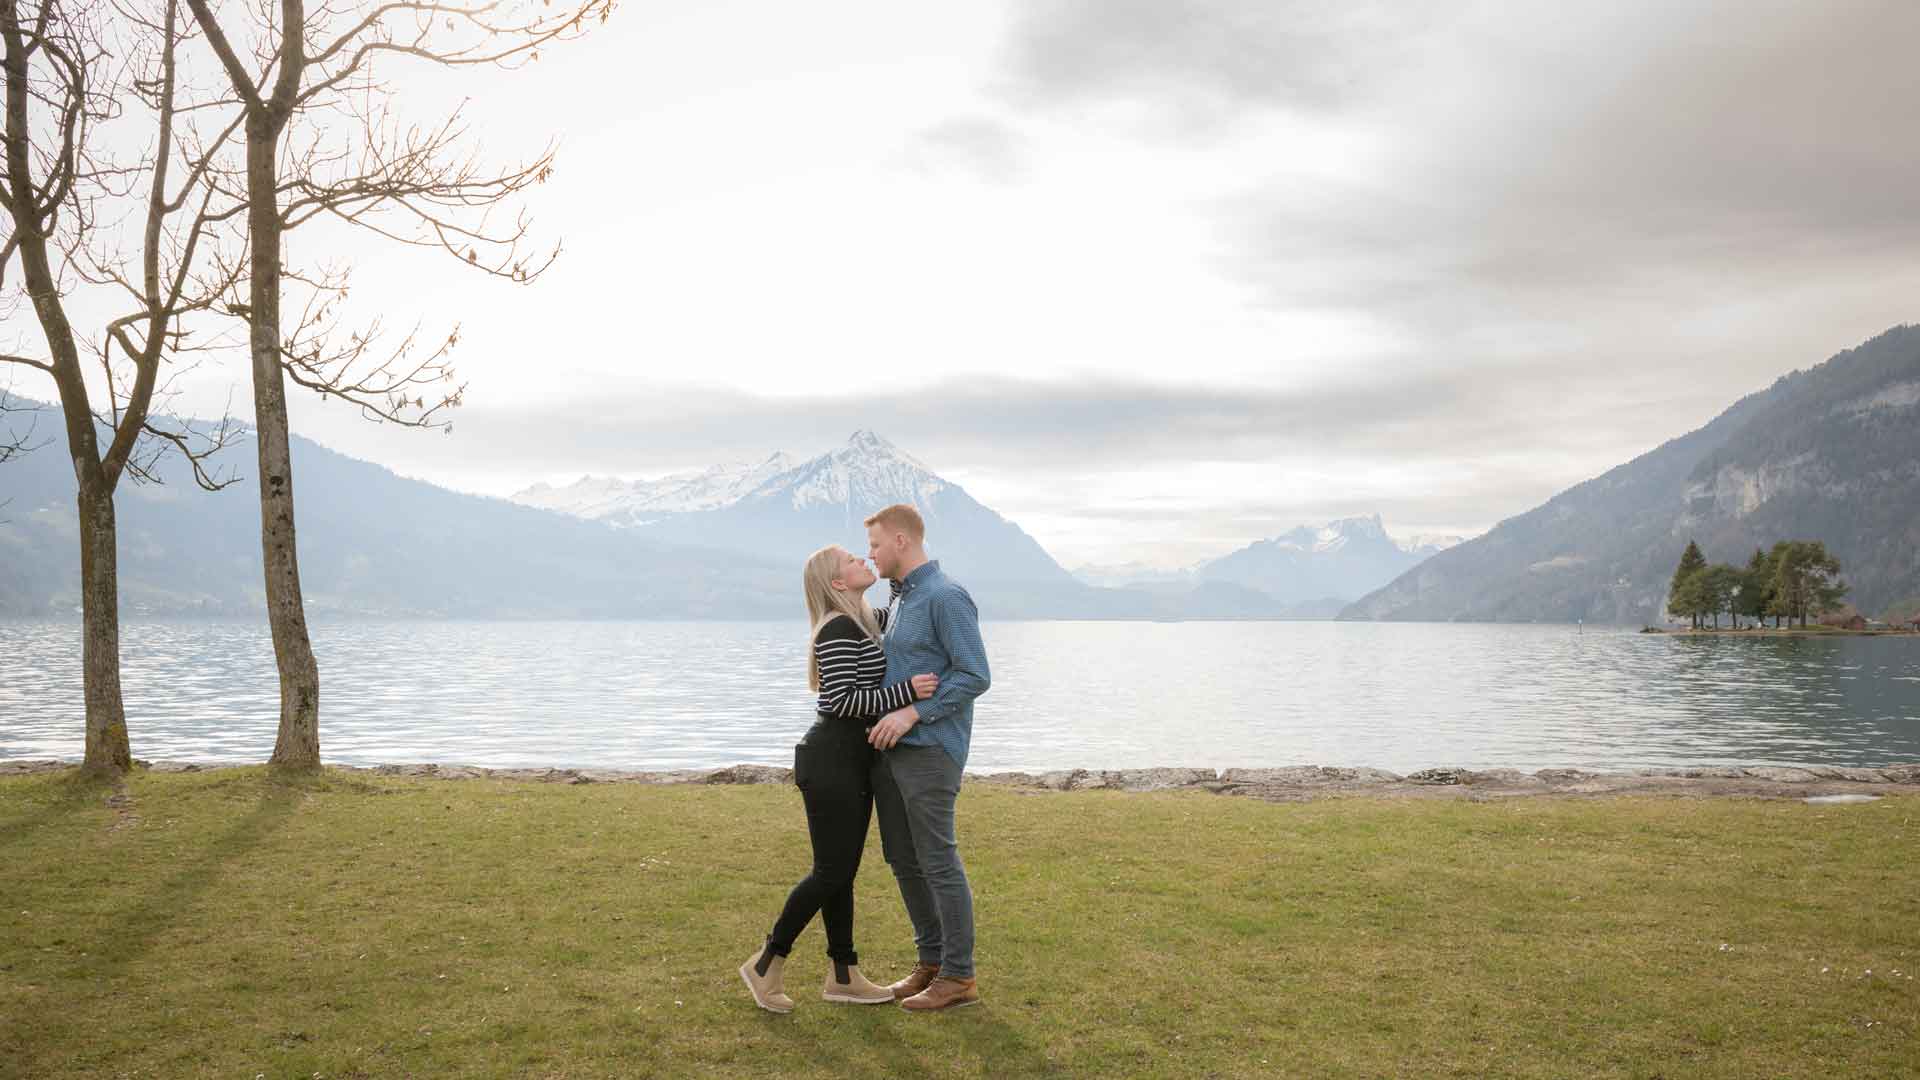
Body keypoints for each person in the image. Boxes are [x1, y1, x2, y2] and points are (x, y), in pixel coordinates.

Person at [739, 546, 940, 1014]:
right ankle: (767, 962)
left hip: (850, 761)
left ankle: (844, 975)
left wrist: (900, 571)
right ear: (838, 583)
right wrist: (908, 692)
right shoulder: (838, 627)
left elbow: (900, 612)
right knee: (831, 871)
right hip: (830, 760)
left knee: (841, 871)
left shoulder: (864, 620)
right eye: (854, 560)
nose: (863, 560)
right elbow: (842, 701)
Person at [864, 503, 991, 1011]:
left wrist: (914, 713)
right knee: (902, 859)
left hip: (931, 749)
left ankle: (959, 977)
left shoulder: (945, 596)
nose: (870, 555)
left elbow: (974, 673)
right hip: (892, 752)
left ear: (900, 541)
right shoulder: (899, 600)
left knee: (937, 859)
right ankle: (931, 963)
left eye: (874, 545)